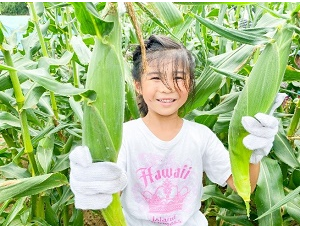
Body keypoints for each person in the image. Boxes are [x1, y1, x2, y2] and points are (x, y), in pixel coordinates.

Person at [66, 35, 286, 226]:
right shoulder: (124, 137)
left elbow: (241, 185)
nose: (168, 87)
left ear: (190, 84)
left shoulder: (201, 136)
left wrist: (253, 153)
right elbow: (113, 191)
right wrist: (93, 184)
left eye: (178, 77)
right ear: (138, 85)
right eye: (155, 77)